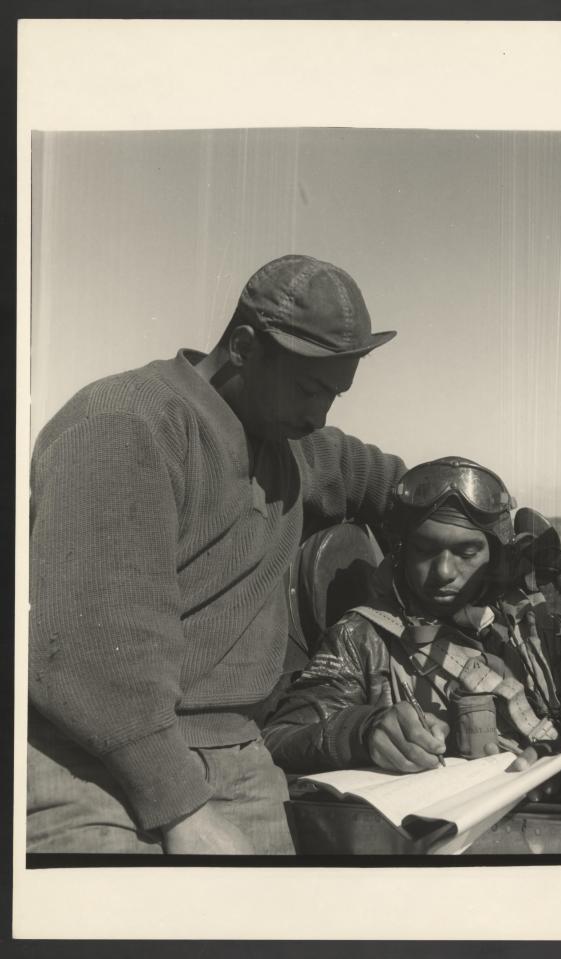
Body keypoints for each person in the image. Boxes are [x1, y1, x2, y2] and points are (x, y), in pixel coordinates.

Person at [27, 254, 405, 855]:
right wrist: (182, 811)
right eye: (311, 389)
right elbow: (90, 649)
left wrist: (486, 515)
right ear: (245, 347)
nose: (319, 414)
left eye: (334, 394)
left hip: (236, 754)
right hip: (94, 760)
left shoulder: (287, 442)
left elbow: (388, 482)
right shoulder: (125, 425)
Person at [263, 458, 561, 778]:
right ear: (401, 551)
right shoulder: (362, 638)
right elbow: (277, 738)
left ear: (493, 557)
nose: (444, 572)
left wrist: (555, 748)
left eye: (467, 552)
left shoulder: (521, 620)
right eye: (425, 549)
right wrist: (362, 731)